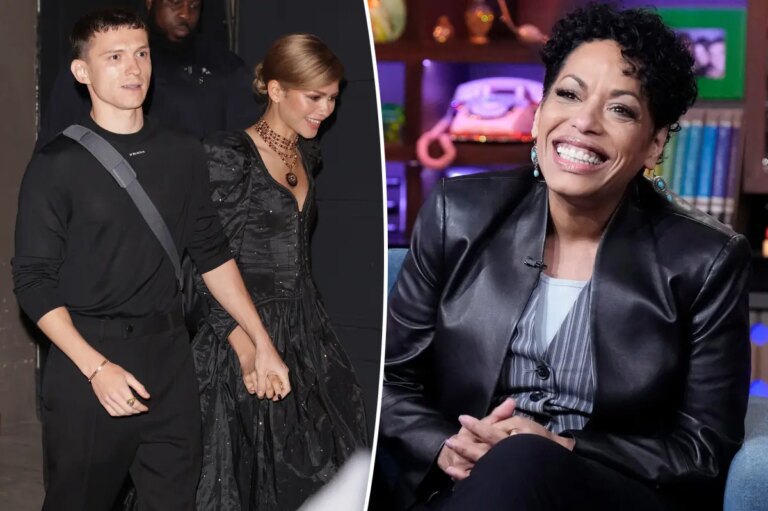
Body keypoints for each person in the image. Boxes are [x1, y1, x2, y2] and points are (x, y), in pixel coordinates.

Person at [379, 4, 751, 511]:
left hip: (611, 495)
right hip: (465, 486)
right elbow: (389, 381)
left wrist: (564, 445)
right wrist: (445, 444)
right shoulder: (456, 215)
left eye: (621, 110)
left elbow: (704, 449)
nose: (584, 121)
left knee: (522, 460)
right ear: (538, 113)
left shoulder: (707, 260)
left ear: (654, 145)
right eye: (569, 94)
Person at [12, 8, 289, 510]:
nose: (133, 68)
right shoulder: (56, 165)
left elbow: (212, 255)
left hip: (169, 359)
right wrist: (96, 369)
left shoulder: (183, 152)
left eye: (141, 53)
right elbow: (32, 281)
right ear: (82, 72)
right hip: (88, 360)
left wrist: (261, 342)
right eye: (114, 57)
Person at [191, 34, 368, 510]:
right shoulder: (228, 155)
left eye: (332, 98)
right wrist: (248, 349)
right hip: (237, 335)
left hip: (307, 332)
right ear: (275, 89)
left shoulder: (307, 154)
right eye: (314, 97)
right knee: (239, 477)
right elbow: (203, 264)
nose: (326, 110)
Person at [36, 0, 259, 149]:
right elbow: (57, 136)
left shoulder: (222, 66)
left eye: (194, 6)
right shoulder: (94, 60)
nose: (185, 13)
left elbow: (244, 142)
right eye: (116, 57)